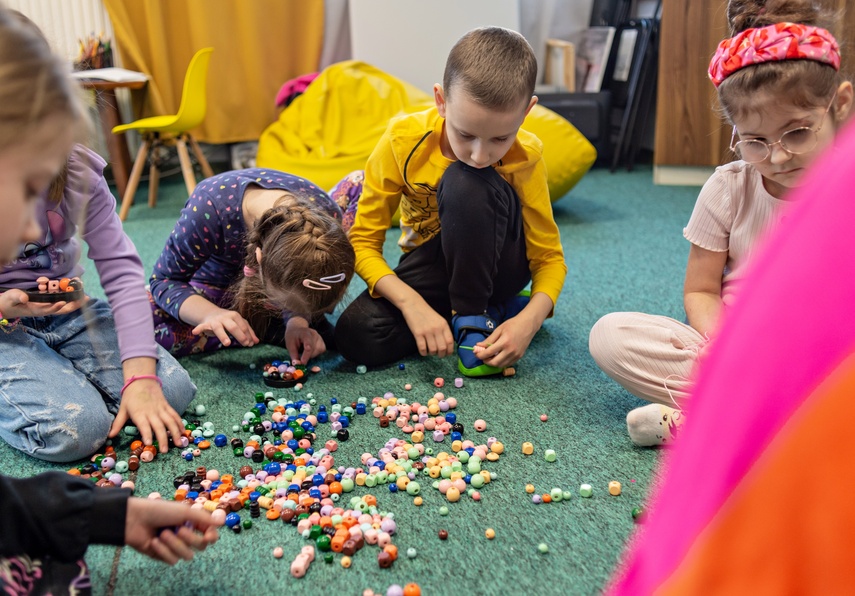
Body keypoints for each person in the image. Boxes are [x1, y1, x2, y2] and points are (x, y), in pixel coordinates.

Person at [0, 6, 218, 594]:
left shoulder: (74, 169)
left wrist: (139, 376)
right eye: (22, 190)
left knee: (169, 391)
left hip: (67, 312)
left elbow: (121, 271)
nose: (30, 231)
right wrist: (6, 307)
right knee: (78, 431)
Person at [589, 0, 852, 446]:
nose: (779, 156)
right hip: (740, 352)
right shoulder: (729, 188)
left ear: (840, 104)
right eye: (755, 142)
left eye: (798, 132)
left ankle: (723, 421)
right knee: (610, 336)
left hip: (823, 357)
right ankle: (774, 422)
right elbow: (701, 290)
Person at [334, 26, 567, 377]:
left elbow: (548, 257)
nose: (479, 154)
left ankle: (473, 316)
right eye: (465, 134)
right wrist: (413, 305)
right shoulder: (401, 142)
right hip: (434, 263)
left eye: (500, 138)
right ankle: (492, 311)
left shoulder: (527, 156)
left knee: (464, 179)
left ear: (527, 112)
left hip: (500, 262)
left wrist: (530, 322)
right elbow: (363, 242)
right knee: (354, 336)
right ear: (441, 101)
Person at [149, 169, 356, 363]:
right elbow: (164, 280)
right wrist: (210, 314)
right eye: (282, 305)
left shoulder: (328, 219)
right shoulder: (207, 208)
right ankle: (265, 324)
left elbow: (296, 285)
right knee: (135, 323)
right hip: (214, 285)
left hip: (268, 286)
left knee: (358, 186)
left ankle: (272, 323)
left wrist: (297, 321)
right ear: (258, 260)